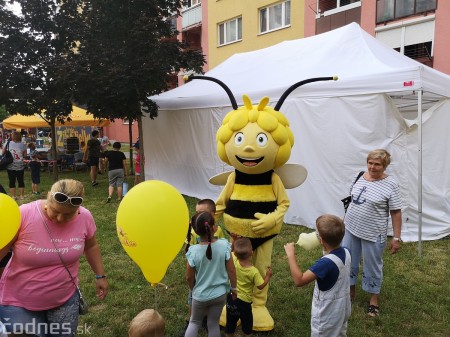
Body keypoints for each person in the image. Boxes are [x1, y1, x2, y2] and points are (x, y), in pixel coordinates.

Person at [0, 179, 109, 336]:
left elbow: (91, 246)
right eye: (55, 211)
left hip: (65, 300)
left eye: (67, 215)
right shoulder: (24, 214)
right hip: (19, 303)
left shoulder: (85, 217)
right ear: (48, 197)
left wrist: (100, 276)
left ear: (78, 208)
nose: (59, 218)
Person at [342, 149, 402, 317]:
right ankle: (350, 291)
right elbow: (352, 202)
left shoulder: (391, 184)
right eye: (370, 163)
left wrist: (396, 237)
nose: (373, 167)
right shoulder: (359, 176)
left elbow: (396, 212)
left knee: (373, 266)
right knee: (349, 260)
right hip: (351, 228)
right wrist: (344, 222)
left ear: (385, 166)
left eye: (377, 164)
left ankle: (373, 300)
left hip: (373, 232)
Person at [284, 214, 351, 337]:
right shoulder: (346, 252)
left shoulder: (324, 264)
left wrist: (291, 255)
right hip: (343, 308)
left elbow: (299, 280)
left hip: (327, 314)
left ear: (321, 240)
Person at [184, 211, 237, 337]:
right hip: (220, 295)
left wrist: (193, 289)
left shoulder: (193, 251)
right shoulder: (224, 245)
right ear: (214, 228)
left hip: (200, 296)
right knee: (213, 323)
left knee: (194, 322)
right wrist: (234, 288)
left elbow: (189, 277)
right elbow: (232, 270)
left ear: (195, 231)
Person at [179, 199, 226, 336]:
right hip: (198, 275)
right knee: (193, 300)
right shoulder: (193, 232)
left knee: (211, 300)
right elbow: (189, 253)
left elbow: (223, 250)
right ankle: (192, 322)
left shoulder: (219, 231)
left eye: (202, 212)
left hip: (214, 274)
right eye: (196, 213)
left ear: (213, 214)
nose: (198, 216)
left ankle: (207, 321)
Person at [225, 238, 272, 337]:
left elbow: (231, 251)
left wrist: (234, 239)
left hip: (231, 298)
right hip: (244, 303)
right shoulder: (253, 271)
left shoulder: (234, 261)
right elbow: (260, 286)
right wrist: (267, 277)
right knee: (247, 326)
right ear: (252, 252)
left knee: (230, 322)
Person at [2, 131, 27, 200]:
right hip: (20, 165)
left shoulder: (7, 143)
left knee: (12, 181)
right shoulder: (23, 145)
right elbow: (25, 155)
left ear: (12, 136)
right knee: (21, 181)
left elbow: (2, 153)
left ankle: (13, 196)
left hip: (10, 165)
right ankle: (22, 196)